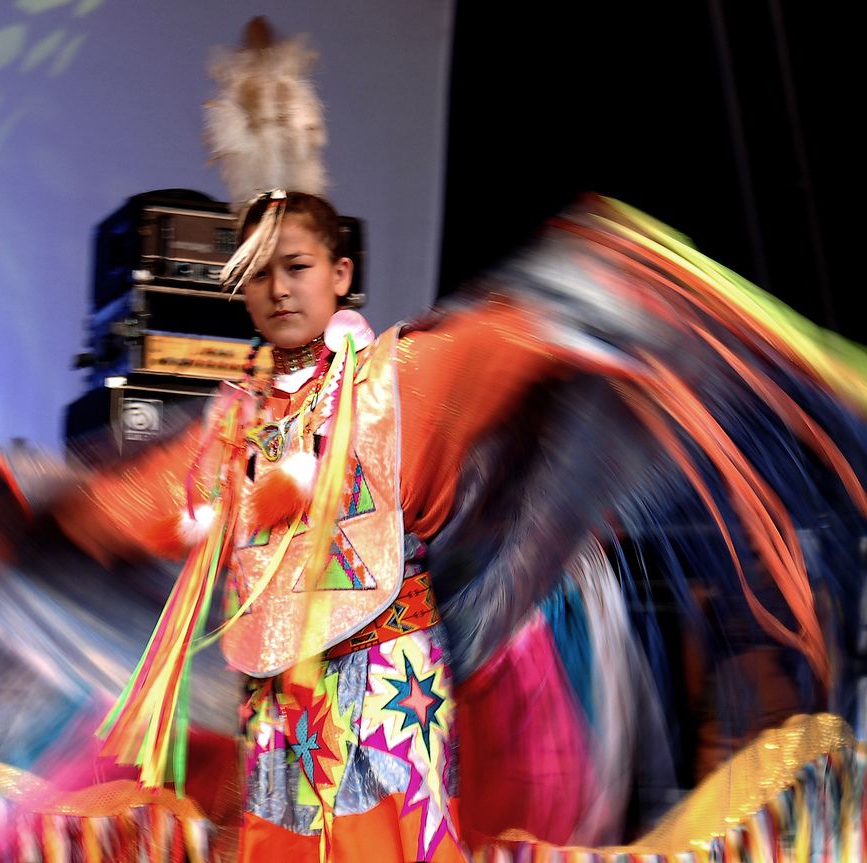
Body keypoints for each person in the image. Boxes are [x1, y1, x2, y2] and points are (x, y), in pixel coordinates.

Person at [53, 189, 867, 862]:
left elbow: (520, 334)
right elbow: (151, 508)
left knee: (386, 847)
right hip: (277, 688)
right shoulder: (238, 417)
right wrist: (72, 520)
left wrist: (606, 283)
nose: (278, 289)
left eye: (296, 267)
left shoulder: (402, 374)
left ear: (339, 275)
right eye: (258, 273)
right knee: (277, 846)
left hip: (379, 674)